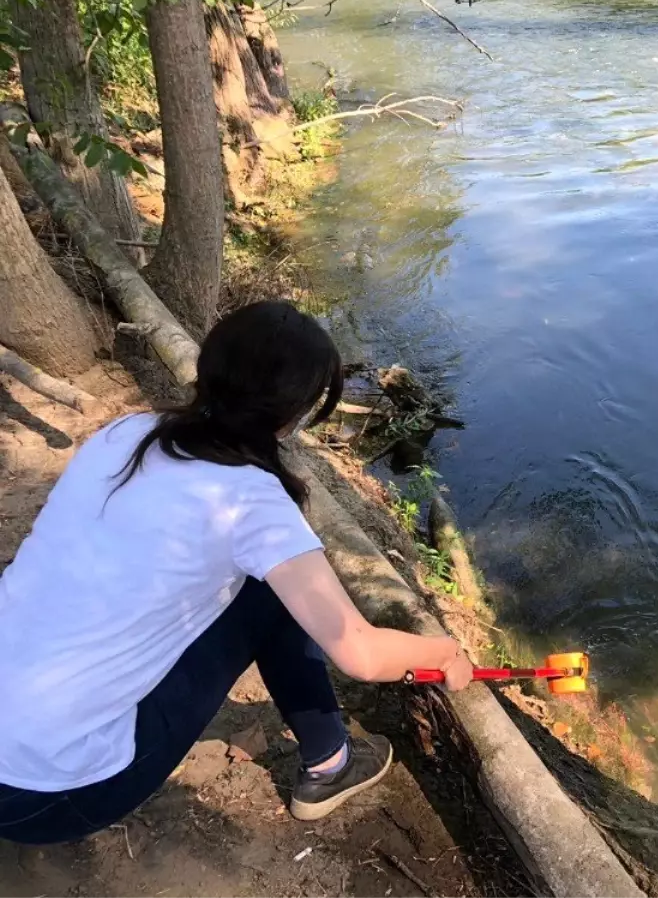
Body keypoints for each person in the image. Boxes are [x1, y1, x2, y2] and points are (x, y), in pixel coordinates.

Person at [0, 301, 473, 845]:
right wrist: (443, 653)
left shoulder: (129, 433)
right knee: (270, 595)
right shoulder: (251, 501)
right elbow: (359, 652)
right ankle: (330, 762)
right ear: (293, 415)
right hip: (43, 799)